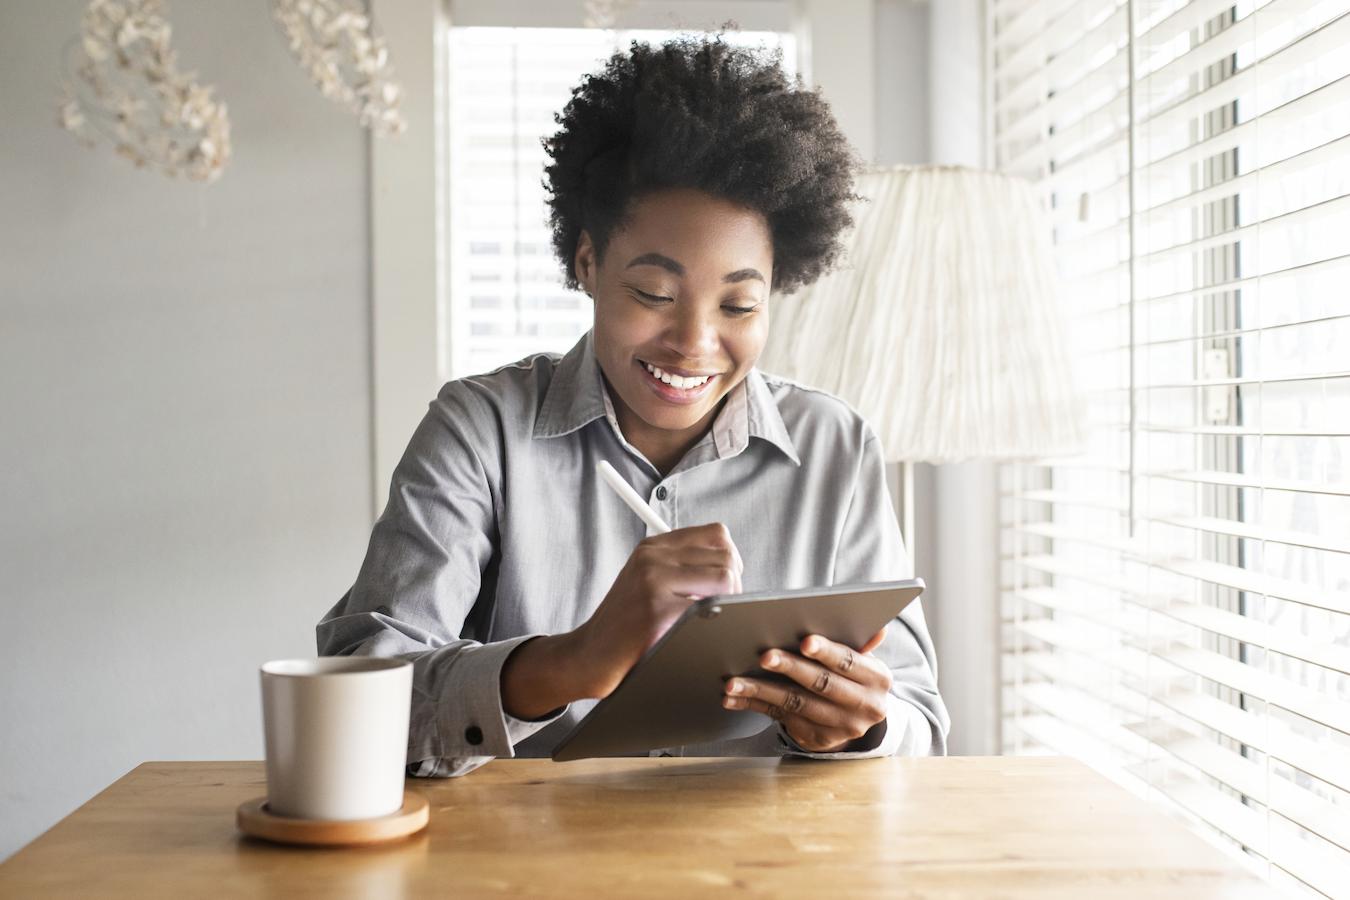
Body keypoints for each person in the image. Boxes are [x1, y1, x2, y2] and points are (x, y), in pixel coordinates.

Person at [317, 35, 949, 776]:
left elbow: (922, 727)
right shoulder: (480, 433)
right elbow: (359, 700)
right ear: (588, 262)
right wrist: (575, 660)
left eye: (739, 304)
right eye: (654, 294)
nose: (694, 342)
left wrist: (862, 727)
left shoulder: (835, 448)